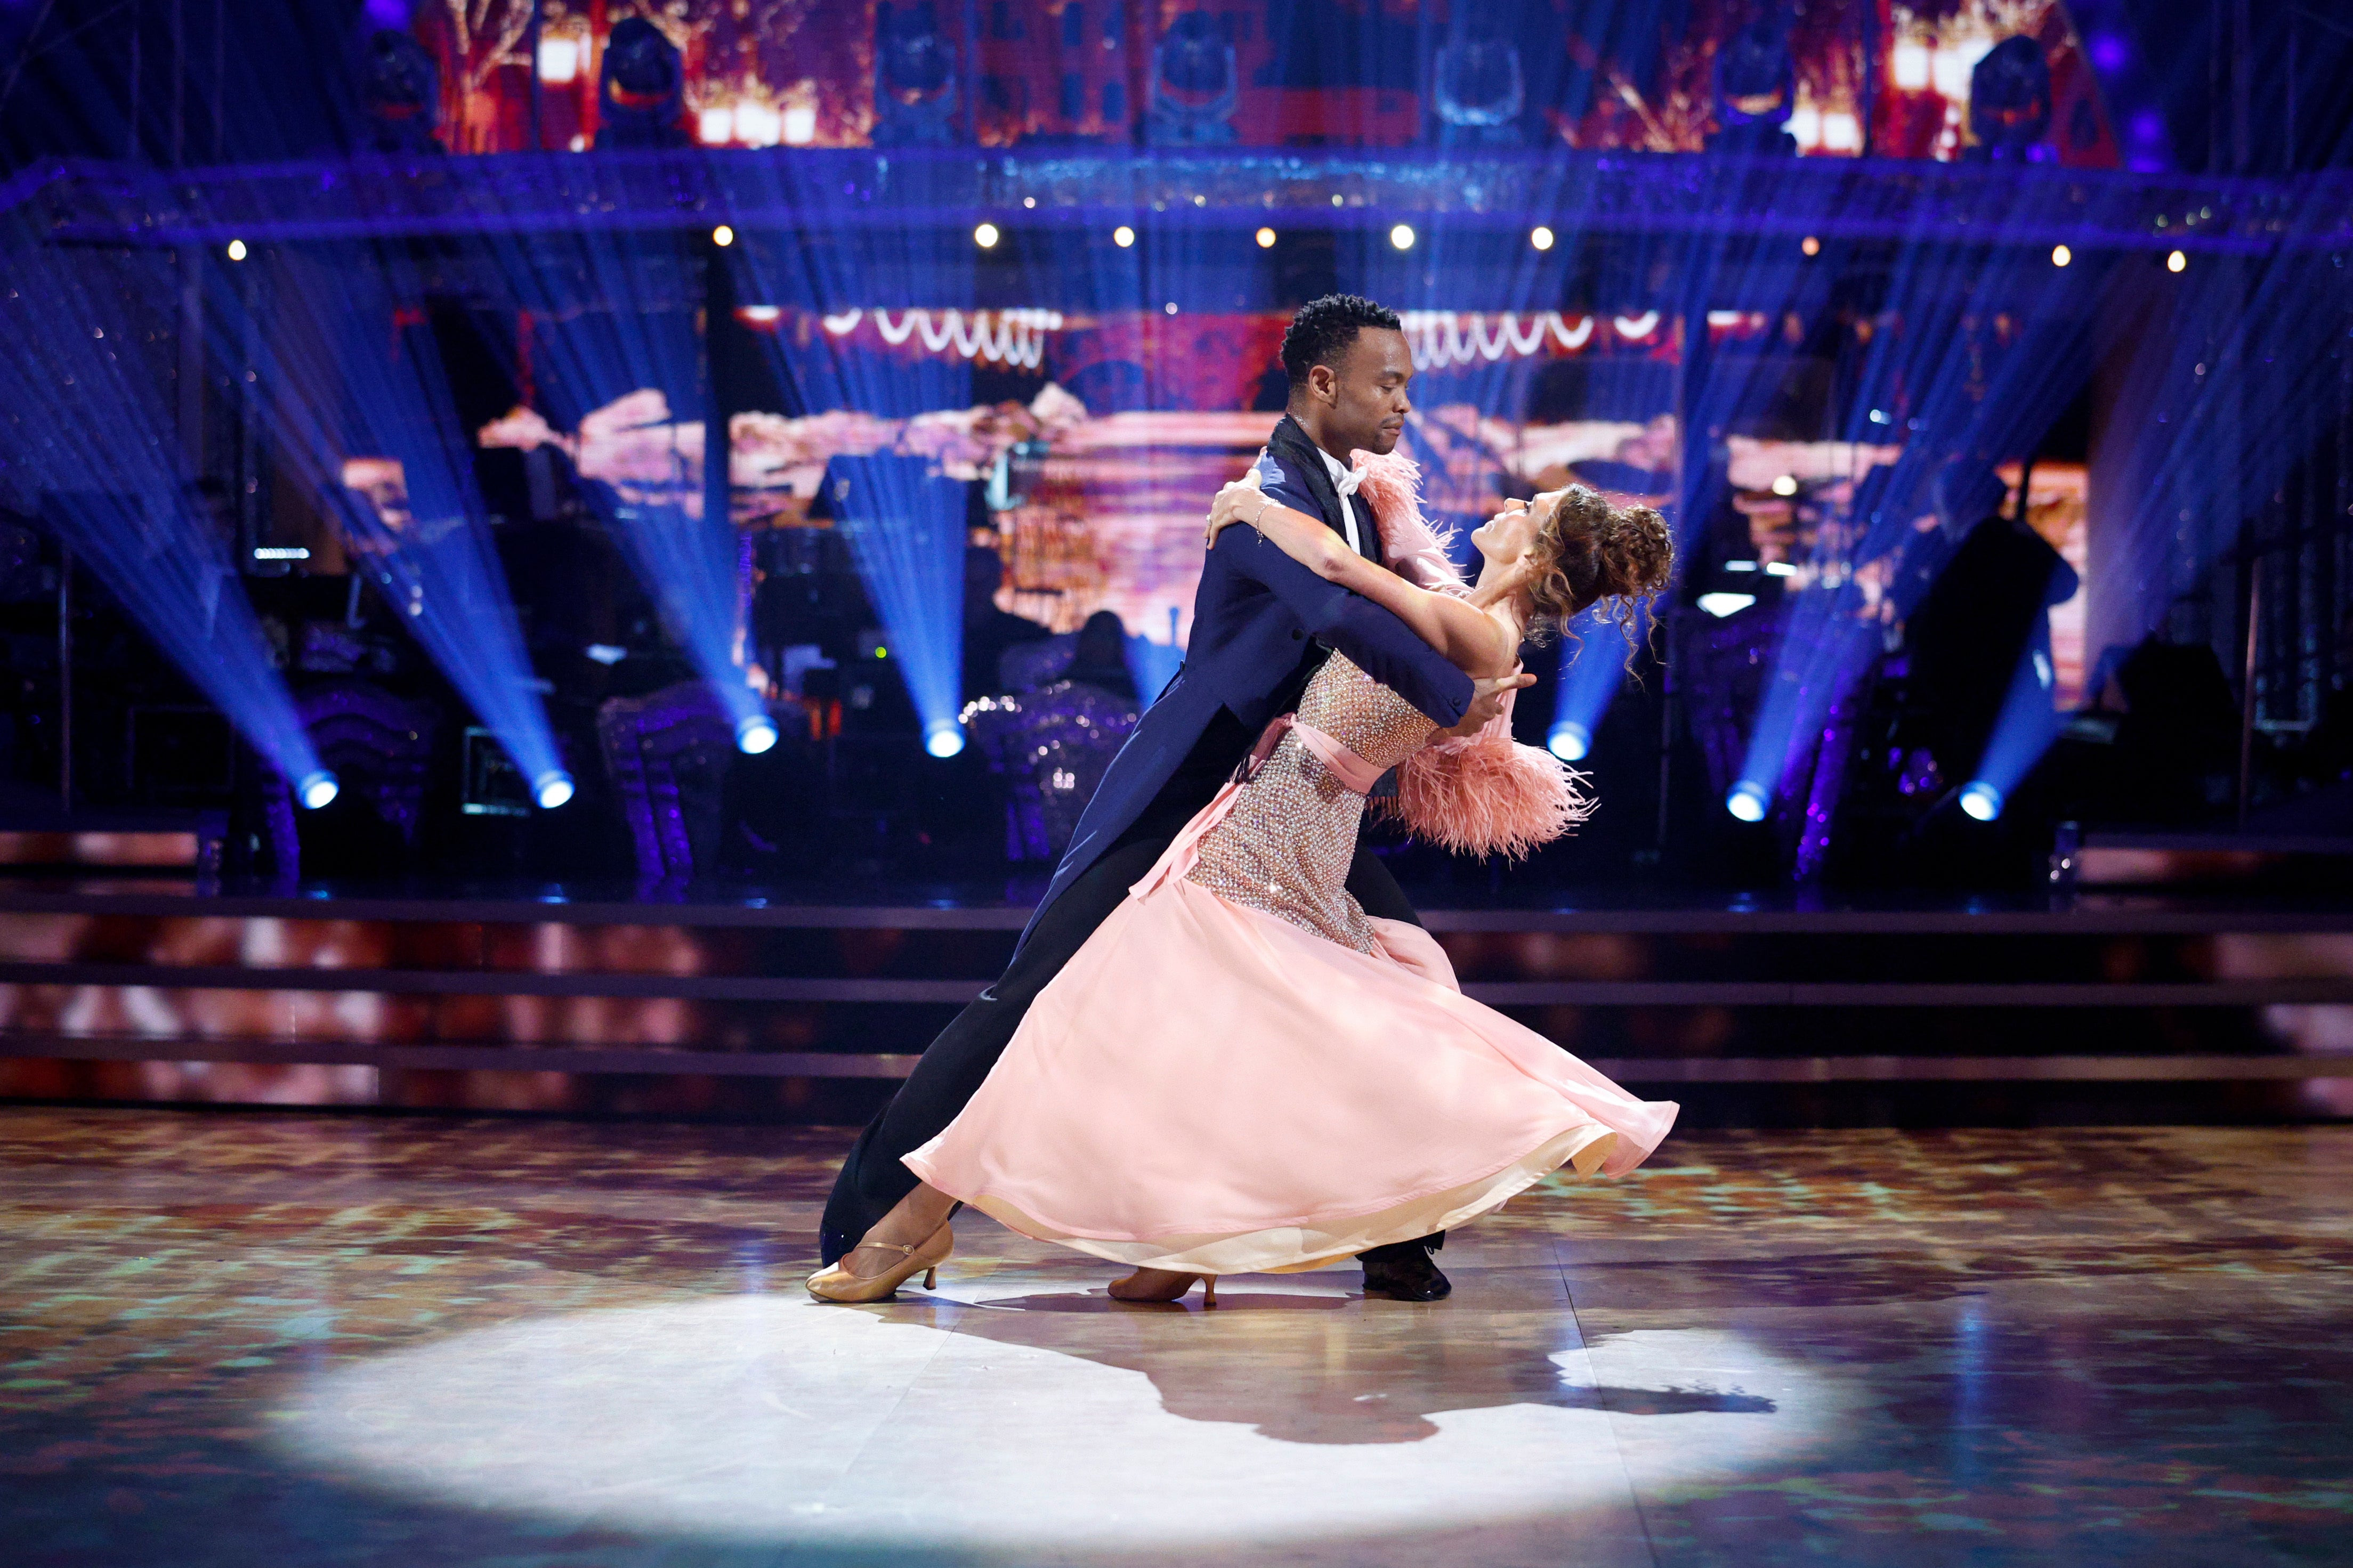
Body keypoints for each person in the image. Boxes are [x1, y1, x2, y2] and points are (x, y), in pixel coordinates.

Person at [807, 461, 1681, 1305]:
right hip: (1278, 824)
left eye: (1535, 507)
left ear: (1536, 556)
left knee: (1092, 1016)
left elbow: (1341, 572)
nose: (1515, 500)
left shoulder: (1481, 636)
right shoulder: (1473, 623)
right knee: (1194, 1038)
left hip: (1272, 839)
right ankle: (1175, 1242)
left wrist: (1250, 507)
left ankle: (920, 1218)